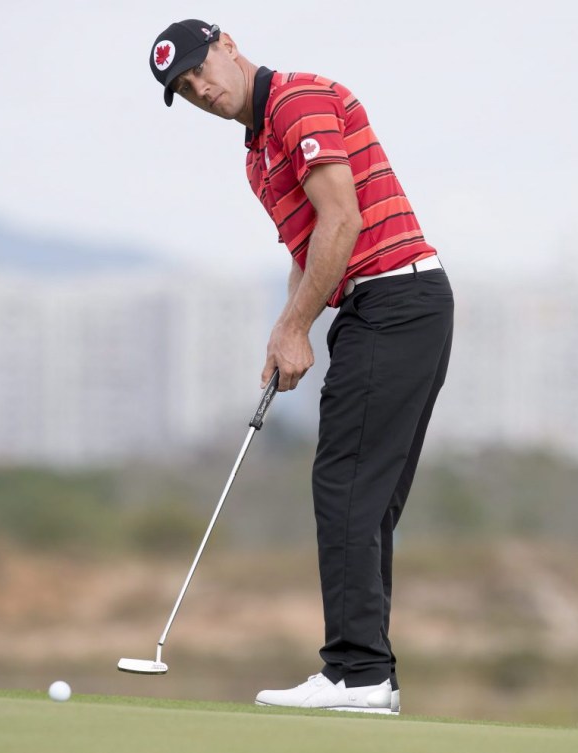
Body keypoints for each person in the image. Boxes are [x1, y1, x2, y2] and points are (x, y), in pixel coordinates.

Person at [148, 19, 454, 715]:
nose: (201, 89)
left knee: (344, 485)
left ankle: (356, 672)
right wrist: (285, 329)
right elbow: (310, 242)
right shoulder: (258, 154)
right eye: (184, 88)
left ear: (228, 44)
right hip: (385, 306)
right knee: (364, 498)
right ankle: (368, 673)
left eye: (201, 69)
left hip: (395, 297)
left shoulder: (297, 100)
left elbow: (342, 220)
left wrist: (295, 325)